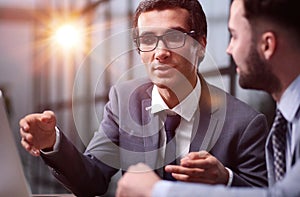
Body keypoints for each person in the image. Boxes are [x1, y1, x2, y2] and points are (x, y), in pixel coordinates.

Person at [19, 0, 269, 196]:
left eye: (174, 37)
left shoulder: (244, 123)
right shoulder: (123, 99)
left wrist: (225, 178)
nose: (160, 53)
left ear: (200, 46)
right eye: (148, 39)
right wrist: (52, 142)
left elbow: (267, 194)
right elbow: (91, 180)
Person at [115, 0, 300, 196]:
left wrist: (157, 190)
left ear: (267, 45)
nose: (229, 50)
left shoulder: (249, 122)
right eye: (148, 40)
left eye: (234, 36)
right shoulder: (287, 121)